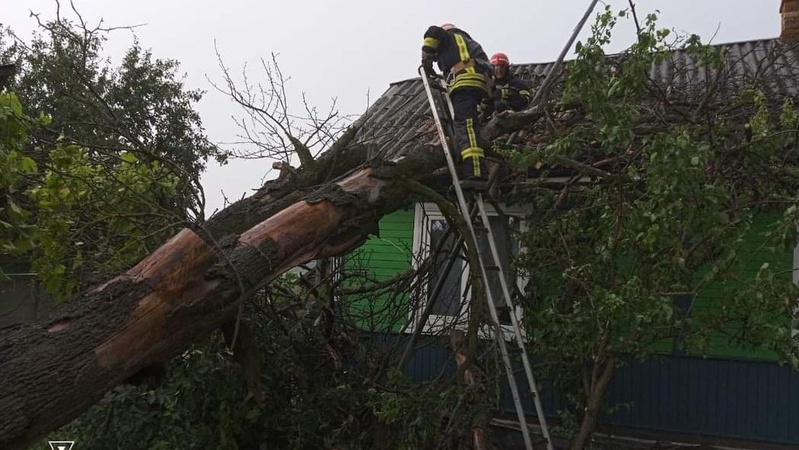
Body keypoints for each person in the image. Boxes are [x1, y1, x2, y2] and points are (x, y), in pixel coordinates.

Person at [422, 23, 492, 185]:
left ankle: (475, 172)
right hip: (476, 83)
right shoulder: (470, 44)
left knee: (465, 125)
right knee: (464, 123)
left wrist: (427, 60)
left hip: (464, 82)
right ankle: (467, 162)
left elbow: (433, 32)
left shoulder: (449, 37)